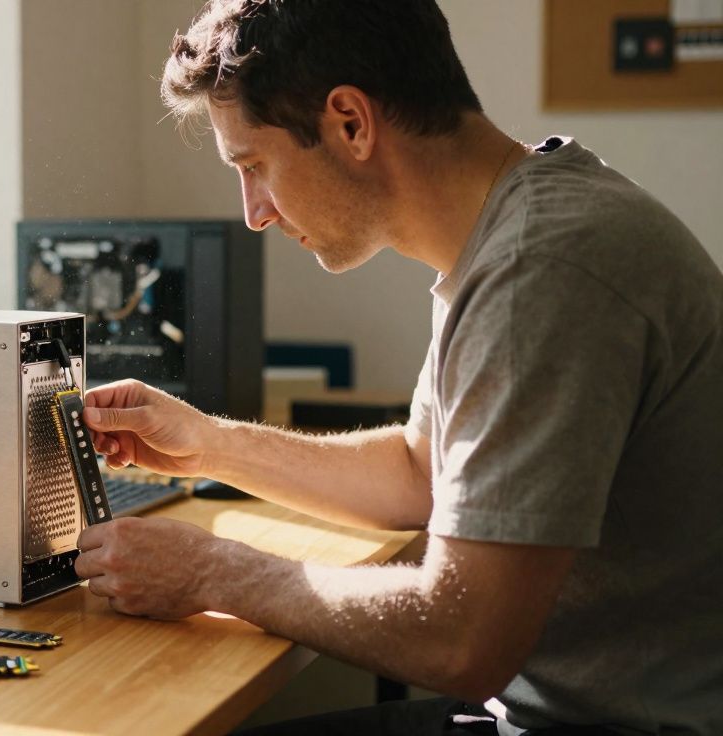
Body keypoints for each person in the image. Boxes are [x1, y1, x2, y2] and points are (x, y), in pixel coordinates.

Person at [70, 1, 723, 734]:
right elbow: (424, 475)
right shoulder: (514, 231)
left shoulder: (542, 271)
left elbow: (461, 638)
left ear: (350, 121)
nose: (253, 212)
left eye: (253, 165)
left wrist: (210, 572)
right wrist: (208, 443)